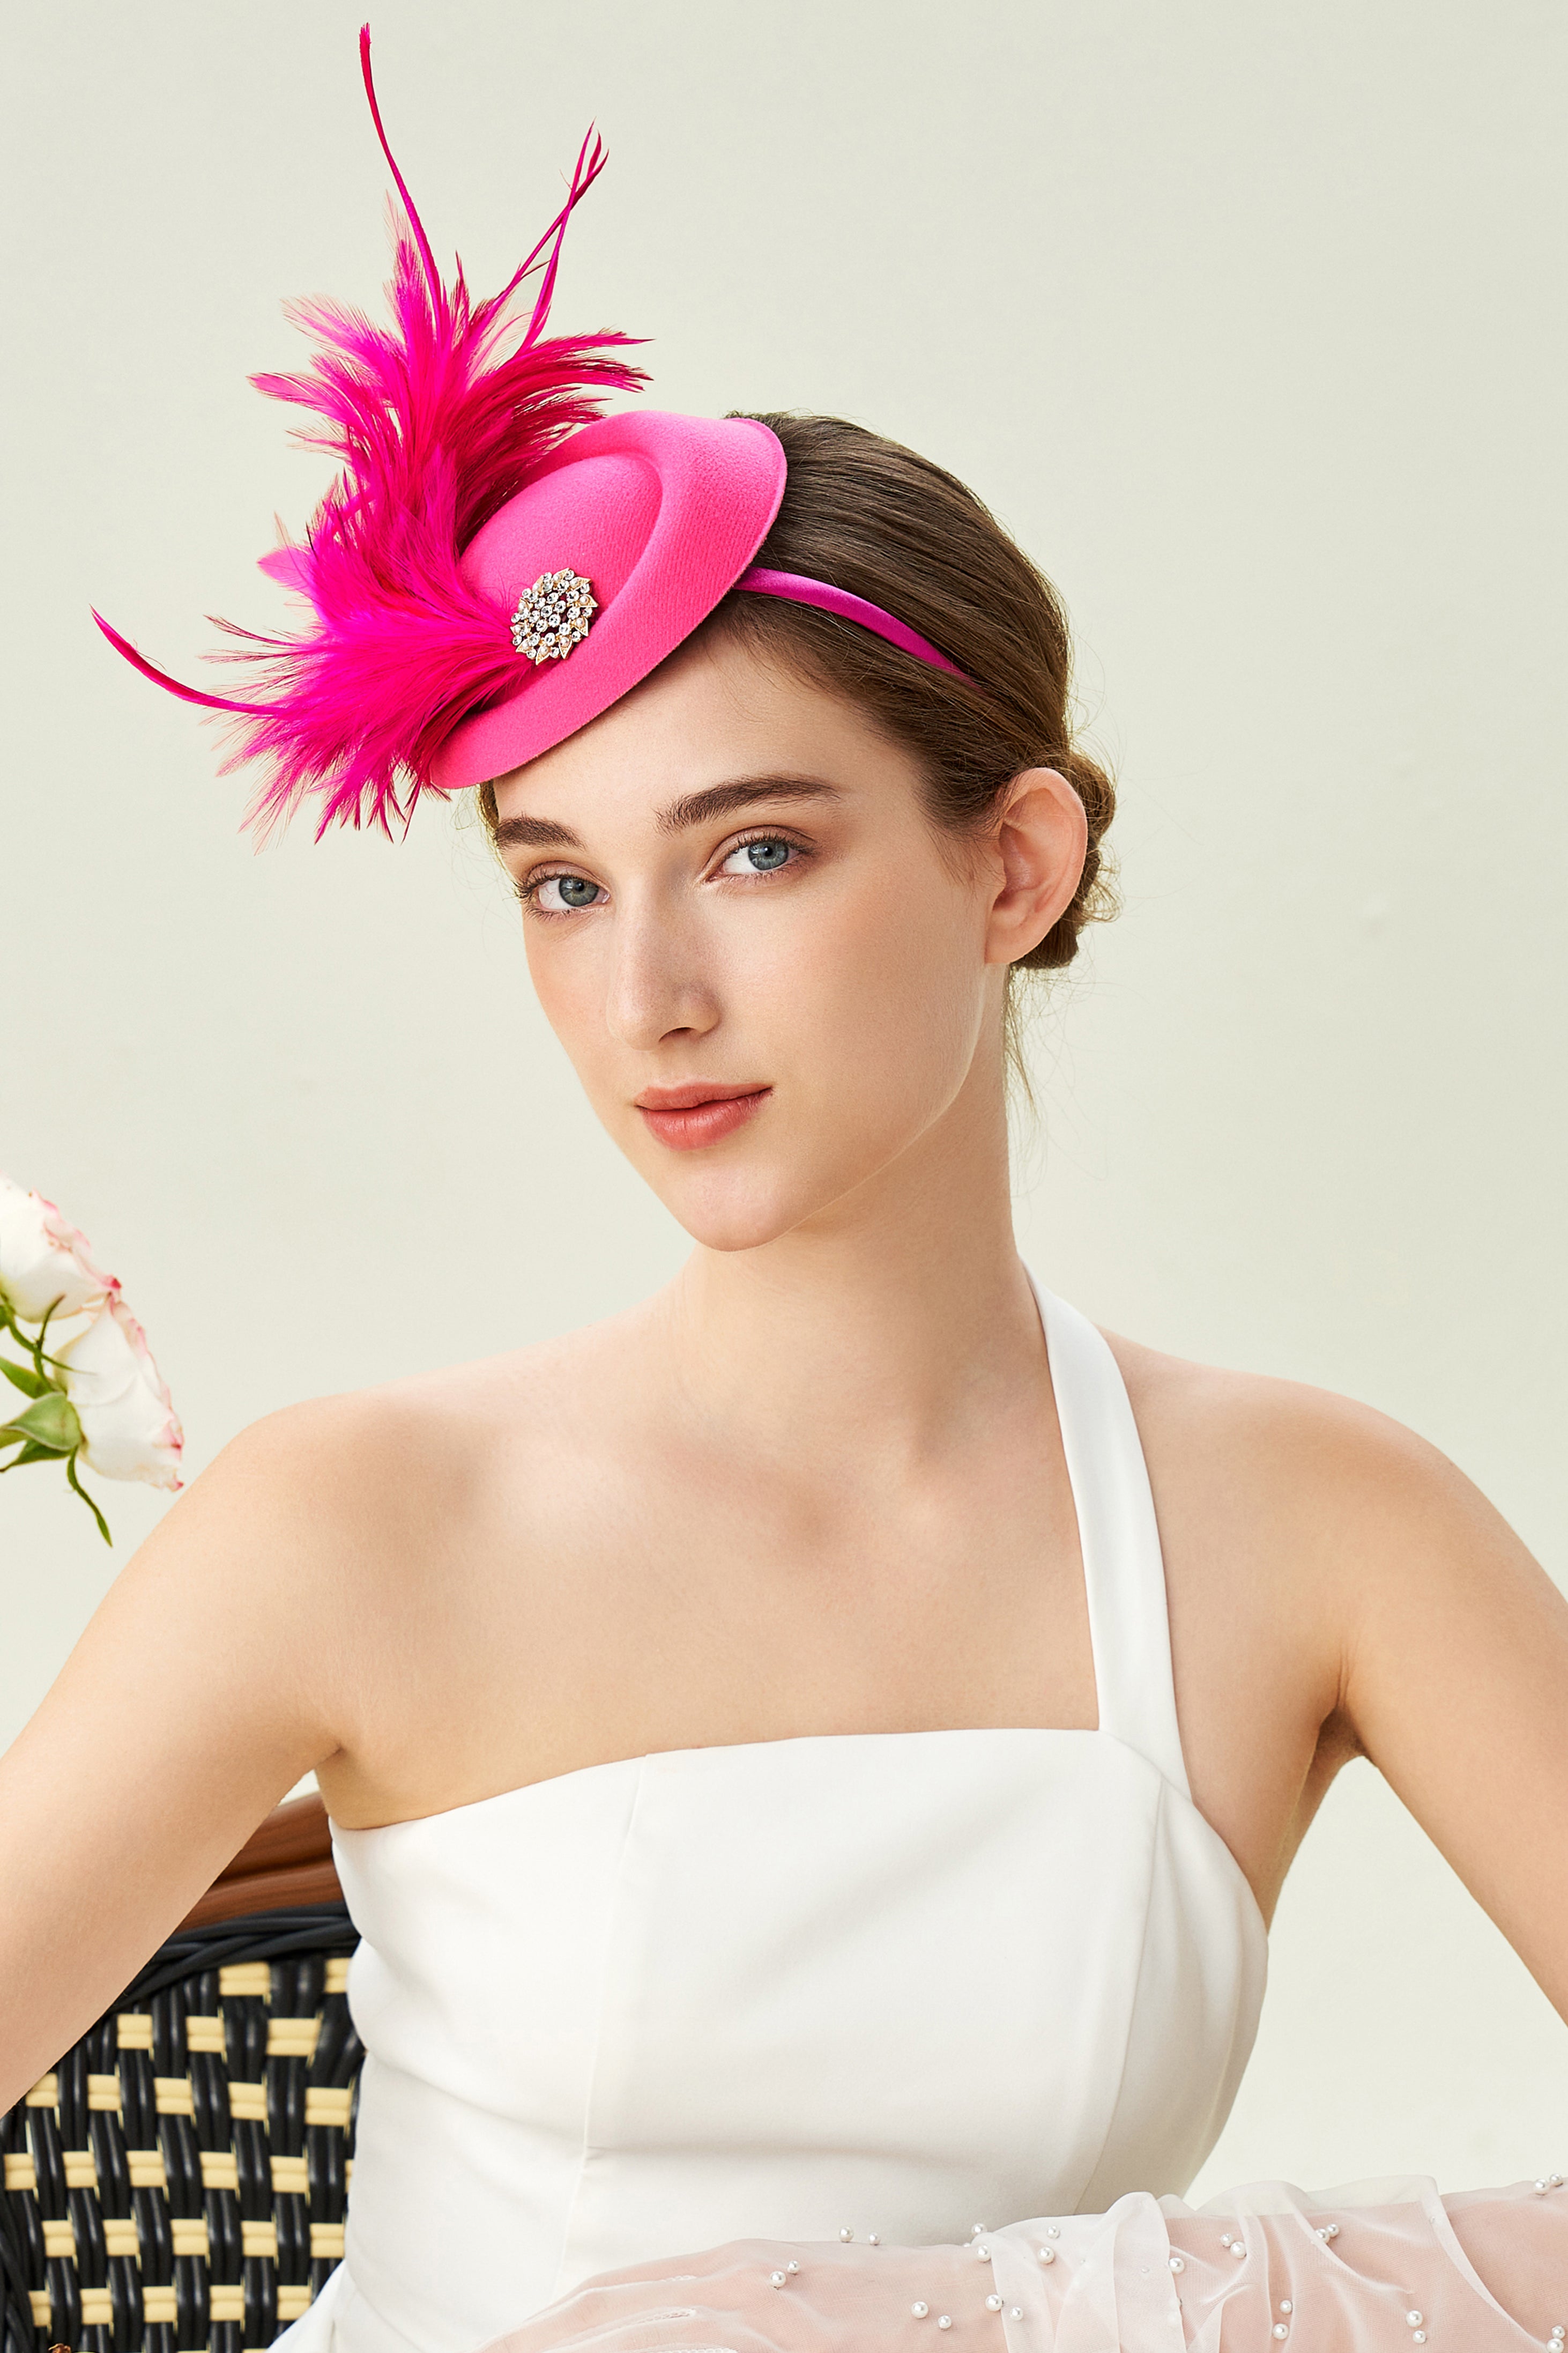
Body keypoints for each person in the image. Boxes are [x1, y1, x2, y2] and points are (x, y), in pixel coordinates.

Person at [3, 29, 1565, 2353]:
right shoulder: (358, 1518)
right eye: (559, 884)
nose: (648, 994)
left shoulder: (1315, 1524)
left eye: (754, 852)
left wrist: (1013, 2318)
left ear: (1011, 865)